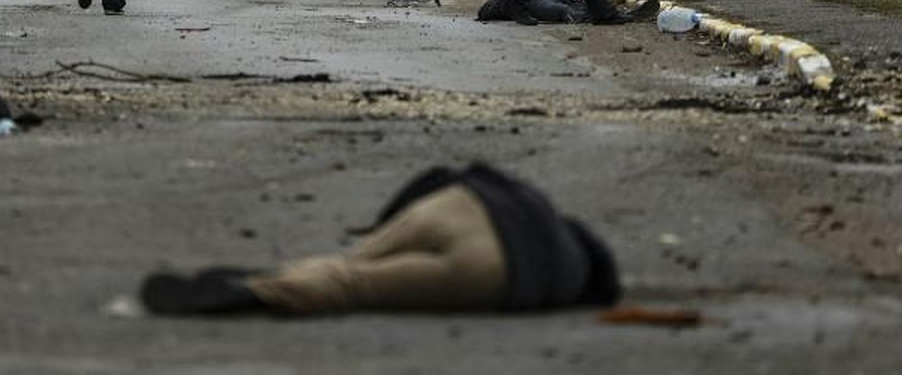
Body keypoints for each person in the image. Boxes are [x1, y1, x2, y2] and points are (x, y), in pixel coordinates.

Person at [140, 162, 620, 316]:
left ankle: (307, 270)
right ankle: (264, 291)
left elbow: (441, 176)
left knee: (350, 262)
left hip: (458, 203)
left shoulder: (539, 205)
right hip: (495, 267)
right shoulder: (570, 276)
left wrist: (383, 226)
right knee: (358, 287)